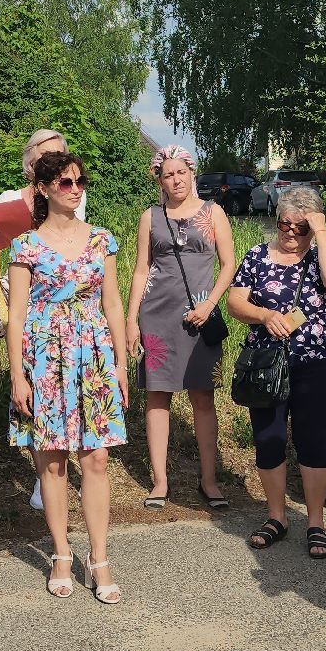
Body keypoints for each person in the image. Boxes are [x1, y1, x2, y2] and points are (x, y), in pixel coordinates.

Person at [6, 151, 130, 603]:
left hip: (94, 354)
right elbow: (15, 315)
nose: (75, 189)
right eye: (64, 183)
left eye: (79, 181)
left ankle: (99, 558)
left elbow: (112, 304)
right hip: (44, 357)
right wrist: (17, 376)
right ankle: (61, 553)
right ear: (42, 189)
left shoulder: (102, 240)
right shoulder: (25, 246)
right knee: (52, 459)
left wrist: (120, 364)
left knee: (96, 458)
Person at [228, 184, 326, 561]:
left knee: (312, 440)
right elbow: (234, 301)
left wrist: (322, 231)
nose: (292, 234)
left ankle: (316, 522)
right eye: (286, 225)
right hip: (267, 362)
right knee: (269, 438)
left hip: (315, 361)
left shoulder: (319, 256)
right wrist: (265, 316)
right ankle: (277, 517)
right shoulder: (257, 256)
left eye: (301, 227)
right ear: (277, 222)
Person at [126, 145, 236, 510]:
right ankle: (160, 482)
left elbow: (228, 264)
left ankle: (208, 480)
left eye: (181, 172)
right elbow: (141, 269)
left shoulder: (213, 212)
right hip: (157, 317)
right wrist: (130, 320)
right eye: (168, 174)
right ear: (160, 179)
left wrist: (210, 304)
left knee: (203, 397)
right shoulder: (150, 216)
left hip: (201, 317)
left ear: (192, 173)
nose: (176, 179)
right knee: (157, 397)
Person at [0, 129, 78, 513]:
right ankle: (44, 477)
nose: (56, 159)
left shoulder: (70, 191)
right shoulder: (9, 200)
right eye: (47, 155)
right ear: (30, 163)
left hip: (60, 306)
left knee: (67, 394)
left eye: (60, 153)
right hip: (21, 300)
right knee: (35, 395)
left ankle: (62, 471)